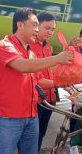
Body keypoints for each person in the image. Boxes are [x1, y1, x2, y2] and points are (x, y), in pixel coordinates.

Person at [0, 7, 73, 154]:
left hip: (32, 116)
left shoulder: (31, 53)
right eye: (35, 24)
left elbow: (39, 81)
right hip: (8, 118)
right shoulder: (5, 45)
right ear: (20, 25)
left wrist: (59, 82)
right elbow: (21, 66)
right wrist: (57, 58)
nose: (37, 29)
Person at [30, 12, 57, 153]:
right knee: (32, 137)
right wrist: (59, 83)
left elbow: (50, 71)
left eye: (52, 29)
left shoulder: (48, 47)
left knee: (41, 134)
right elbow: (37, 80)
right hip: (37, 101)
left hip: (50, 99)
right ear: (37, 26)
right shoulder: (29, 48)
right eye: (47, 28)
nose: (50, 32)